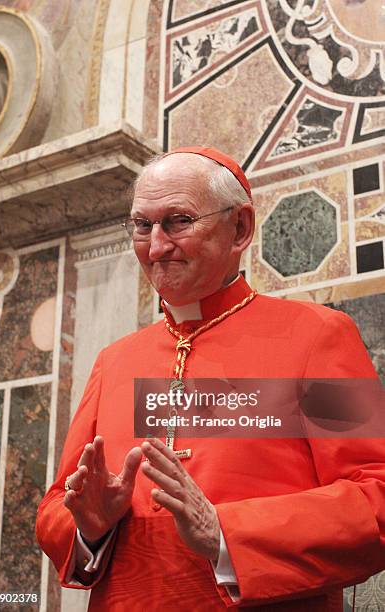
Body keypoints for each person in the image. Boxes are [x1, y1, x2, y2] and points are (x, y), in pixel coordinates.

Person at [36, 146, 385, 611]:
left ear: (239, 227)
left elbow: (375, 498)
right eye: (143, 225)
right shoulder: (115, 360)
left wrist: (223, 531)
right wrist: (90, 528)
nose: (157, 246)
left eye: (178, 221)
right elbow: (57, 504)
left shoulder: (316, 336)